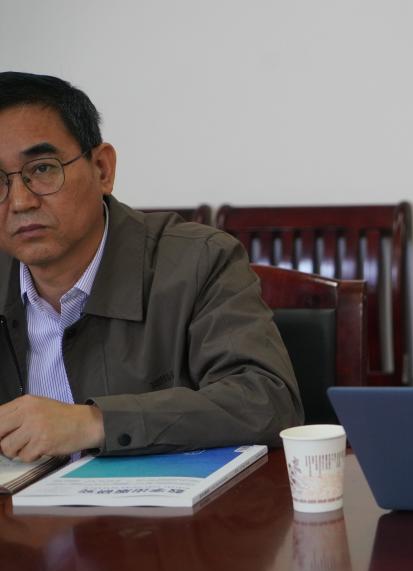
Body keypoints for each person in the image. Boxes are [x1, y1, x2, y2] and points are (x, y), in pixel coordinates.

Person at [0, 72, 302, 460]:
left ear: (102, 169)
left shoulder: (200, 261)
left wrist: (94, 423)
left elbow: (267, 402)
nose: (20, 201)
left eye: (42, 168)